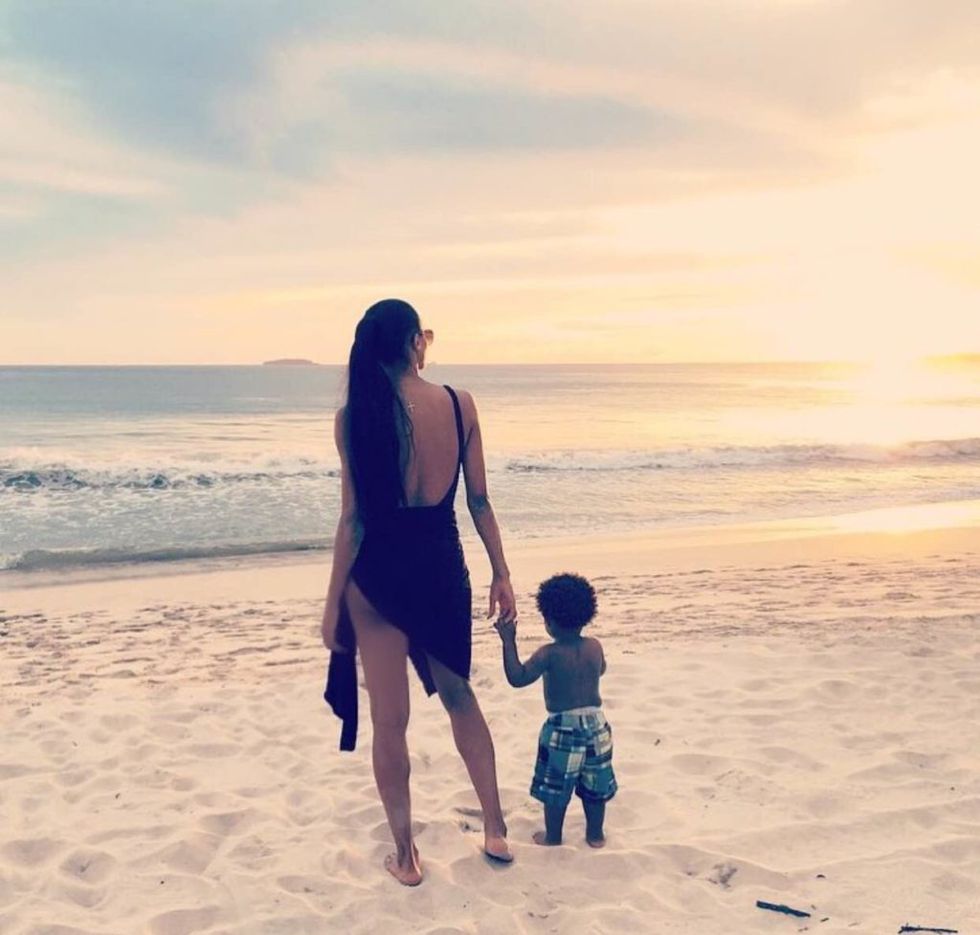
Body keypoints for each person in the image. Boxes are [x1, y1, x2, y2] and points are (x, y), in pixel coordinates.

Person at [321, 298, 516, 885]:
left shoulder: (353, 417)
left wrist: (332, 602)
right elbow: (478, 500)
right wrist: (501, 572)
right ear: (413, 343)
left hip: (378, 578)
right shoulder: (459, 404)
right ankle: (496, 829)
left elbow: (353, 520)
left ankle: (406, 858)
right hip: (440, 569)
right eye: (424, 336)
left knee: (390, 721)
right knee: (460, 697)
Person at [493, 572, 616, 848]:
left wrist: (508, 641)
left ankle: (553, 837)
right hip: (598, 726)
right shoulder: (594, 646)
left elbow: (518, 678)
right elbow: (601, 670)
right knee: (595, 784)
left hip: (563, 728)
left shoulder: (548, 654)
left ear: (549, 622)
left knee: (555, 788)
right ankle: (595, 835)